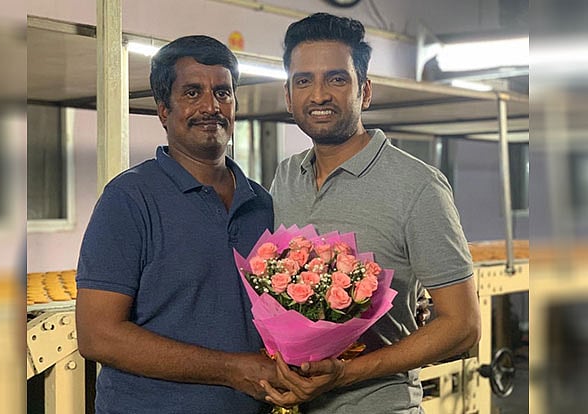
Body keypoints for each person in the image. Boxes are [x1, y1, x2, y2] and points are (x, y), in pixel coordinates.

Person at [263, 13, 481, 413]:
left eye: (336, 79)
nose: (319, 95)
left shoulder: (418, 185)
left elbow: (463, 326)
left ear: (364, 91)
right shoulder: (287, 175)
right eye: (304, 81)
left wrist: (347, 373)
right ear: (289, 96)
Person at [75, 35, 280, 413]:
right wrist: (232, 370)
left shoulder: (261, 204)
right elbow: (97, 335)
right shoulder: (129, 199)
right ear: (163, 110)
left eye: (222, 92)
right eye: (192, 92)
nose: (211, 106)